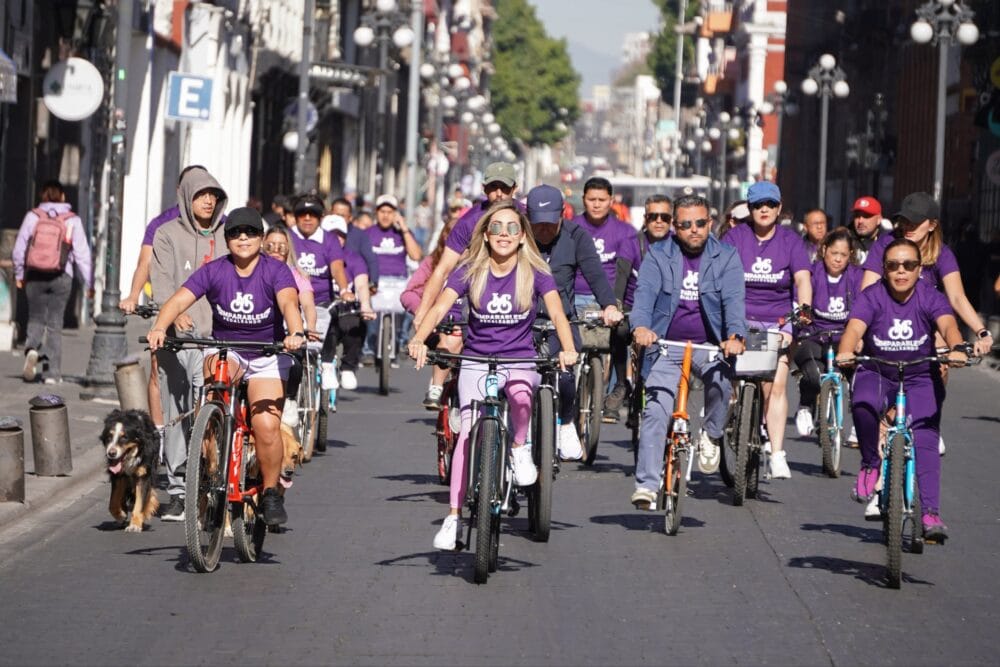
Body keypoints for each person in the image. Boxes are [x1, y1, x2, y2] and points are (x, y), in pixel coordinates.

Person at [408, 200, 578, 551]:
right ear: (485, 236)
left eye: (512, 228)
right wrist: (418, 340)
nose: (504, 234)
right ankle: (454, 517)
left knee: (520, 396)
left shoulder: (536, 271)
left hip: (518, 359)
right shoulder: (469, 270)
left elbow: (559, 315)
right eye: (497, 228)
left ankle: (518, 446)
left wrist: (567, 348)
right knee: (468, 433)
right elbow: (440, 306)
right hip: (476, 359)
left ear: (522, 237)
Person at [146, 207, 305, 526]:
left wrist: (295, 332)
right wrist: (160, 328)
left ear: (260, 238)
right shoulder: (215, 270)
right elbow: (178, 300)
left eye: (249, 232)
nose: (242, 238)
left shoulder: (275, 271)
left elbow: (288, 302)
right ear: (226, 239)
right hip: (226, 350)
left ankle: (271, 493)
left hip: (265, 355)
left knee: (266, 426)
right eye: (234, 233)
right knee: (214, 390)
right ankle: (209, 462)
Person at [836, 238, 968, 541]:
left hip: (920, 376)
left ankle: (931, 513)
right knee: (863, 405)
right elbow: (854, 329)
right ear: (884, 269)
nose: (901, 271)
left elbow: (948, 324)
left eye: (908, 265)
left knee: (925, 436)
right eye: (893, 265)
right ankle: (871, 463)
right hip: (877, 370)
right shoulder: (872, 296)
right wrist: (845, 351)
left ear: (919, 269)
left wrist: (956, 346)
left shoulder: (930, 297)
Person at [629, 193, 747, 506]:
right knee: (655, 410)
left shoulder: (727, 256)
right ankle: (647, 485)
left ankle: (711, 434)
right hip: (666, 346)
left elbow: (734, 300)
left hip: (709, 345)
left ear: (710, 223)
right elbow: (644, 297)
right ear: (674, 227)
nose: (693, 229)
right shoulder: (658, 254)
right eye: (684, 224)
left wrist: (734, 335)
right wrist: (641, 328)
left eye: (699, 223)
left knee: (722, 383)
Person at [859, 192, 994, 455]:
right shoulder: (885, 245)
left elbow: (956, 296)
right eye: (903, 221)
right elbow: (867, 289)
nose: (907, 228)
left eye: (915, 222)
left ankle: (928, 423)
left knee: (942, 360)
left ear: (932, 224)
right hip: (887, 321)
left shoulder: (942, 254)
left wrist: (981, 331)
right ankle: (884, 446)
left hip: (924, 324)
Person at [149, 166, 228, 521]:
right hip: (176, 340)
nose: (208, 201)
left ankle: (213, 480)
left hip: (215, 339)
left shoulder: (230, 235)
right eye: (201, 195)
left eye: (213, 195)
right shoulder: (167, 234)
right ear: (186, 197)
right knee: (177, 412)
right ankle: (179, 489)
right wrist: (172, 315)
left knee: (211, 409)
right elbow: (161, 278)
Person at [721, 181, 812, 479]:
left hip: (779, 323)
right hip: (740, 320)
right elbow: (720, 276)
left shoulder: (791, 242)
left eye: (770, 205)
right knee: (731, 384)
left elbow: (802, 281)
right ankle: (733, 417)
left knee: (775, 385)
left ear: (779, 208)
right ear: (750, 208)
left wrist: (802, 314)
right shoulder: (735, 237)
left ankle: (776, 453)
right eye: (758, 204)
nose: (764, 210)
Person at [526, 184, 623, 460]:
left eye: (549, 224)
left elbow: (595, 274)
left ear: (561, 216)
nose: (543, 231)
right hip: (522, 320)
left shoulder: (576, 236)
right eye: (537, 225)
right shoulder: (518, 235)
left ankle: (566, 421)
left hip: (561, 320)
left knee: (566, 372)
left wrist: (608, 306)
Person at [412, 162, 523, 332]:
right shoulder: (469, 221)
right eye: (493, 187)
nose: (499, 194)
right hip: (479, 296)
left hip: (521, 292)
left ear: (514, 188)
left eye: (505, 187)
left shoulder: (527, 217)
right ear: (484, 188)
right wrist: (422, 313)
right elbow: (443, 269)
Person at [570, 177, 642, 422]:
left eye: (602, 200)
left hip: (608, 299)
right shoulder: (570, 227)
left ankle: (614, 391)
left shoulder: (625, 232)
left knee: (620, 334)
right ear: (584, 200)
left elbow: (626, 272)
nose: (597, 205)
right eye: (592, 200)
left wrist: (618, 304)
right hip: (575, 296)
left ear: (611, 201)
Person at [13, 179, 94, 384]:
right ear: (63, 196)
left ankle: (32, 349)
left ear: (43, 196)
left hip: (35, 275)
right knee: (55, 324)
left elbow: (19, 249)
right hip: (61, 276)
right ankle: (51, 374)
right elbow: (83, 255)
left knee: (36, 317)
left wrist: (19, 274)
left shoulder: (33, 216)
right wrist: (89, 283)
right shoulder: (72, 220)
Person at [793, 228, 863, 437]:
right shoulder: (812, 274)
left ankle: (857, 422)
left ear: (850, 255)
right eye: (834, 253)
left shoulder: (857, 277)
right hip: (814, 334)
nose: (838, 260)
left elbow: (864, 306)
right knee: (814, 373)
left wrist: (859, 337)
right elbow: (800, 302)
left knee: (860, 378)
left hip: (845, 335)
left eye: (843, 255)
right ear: (824, 250)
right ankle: (805, 406)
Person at [288, 194, 354, 391]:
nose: (307, 218)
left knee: (332, 319)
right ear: (295, 216)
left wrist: (344, 289)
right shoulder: (286, 236)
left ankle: (326, 363)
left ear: (320, 217)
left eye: (313, 214)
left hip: (321, 299)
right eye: (302, 214)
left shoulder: (330, 240)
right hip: (291, 299)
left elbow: (337, 268)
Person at [400, 214, 464, 409]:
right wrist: (425, 313)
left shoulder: (478, 265)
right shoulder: (433, 263)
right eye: (449, 234)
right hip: (439, 326)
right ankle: (436, 387)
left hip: (469, 324)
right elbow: (408, 294)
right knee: (449, 338)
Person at [331, 196, 379, 287]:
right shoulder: (321, 233)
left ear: (350, 218)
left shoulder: (359, 235)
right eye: (336, 215)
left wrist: (373, 282)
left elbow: (371, 259)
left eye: (342, 216)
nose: (338, 219)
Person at [849, 196, 884, 265]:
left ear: (879, 219)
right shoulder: (845, 239)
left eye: (866, 216)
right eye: (857, 216)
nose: (860, 221)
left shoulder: (887, 242)